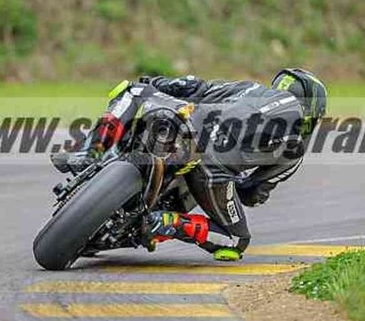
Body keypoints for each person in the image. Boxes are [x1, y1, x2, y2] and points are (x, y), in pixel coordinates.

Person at [51, 68, 327, 261]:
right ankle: (166, 223)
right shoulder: (295, 152)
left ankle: (91, 150)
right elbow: (252, 193)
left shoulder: (249, 88)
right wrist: (238, 178)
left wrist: (154, 82)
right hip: (212, 172)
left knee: (133, 90)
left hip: (186, 120)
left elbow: (195, 87)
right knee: (235, 241)